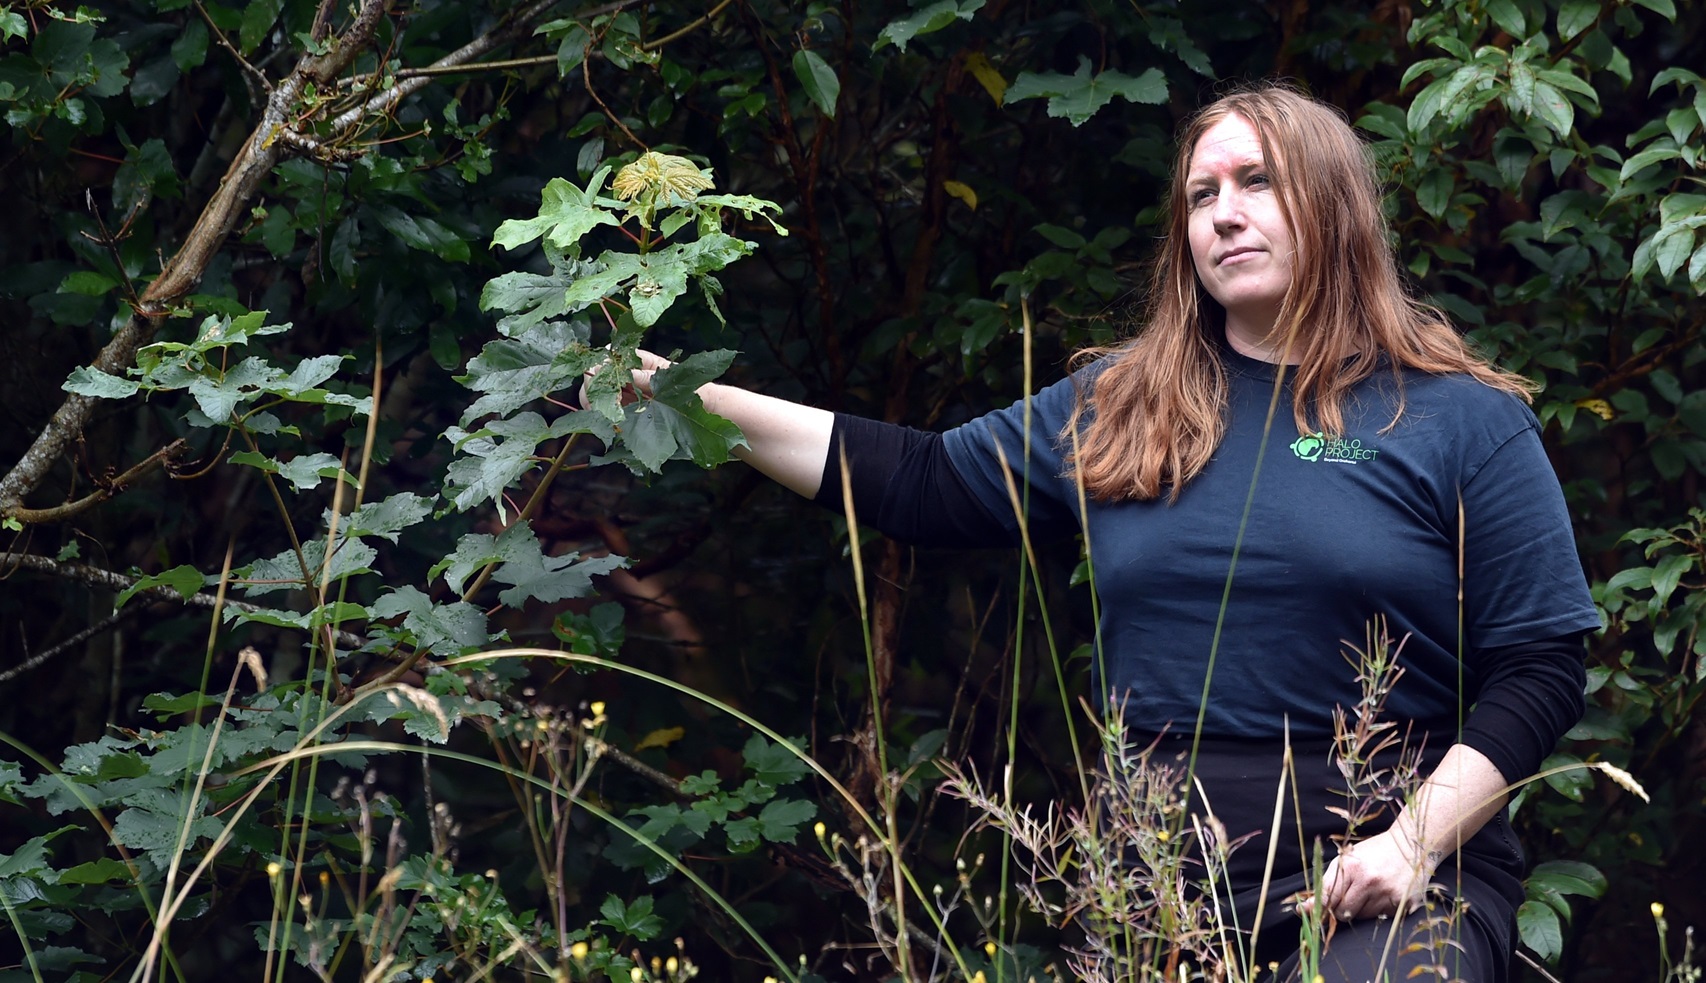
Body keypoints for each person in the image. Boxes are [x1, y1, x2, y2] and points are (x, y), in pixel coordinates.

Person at [610, 84, 1600, 982]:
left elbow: (1541, 663)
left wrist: (1412, 846)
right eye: (1200, 193)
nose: (1223, 211)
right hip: (1159, 873)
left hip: (1379, 866)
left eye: (1256, 182)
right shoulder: (1124, 405)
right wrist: (676, 398)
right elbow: (916, 481)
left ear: (1332, 207)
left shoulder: (1454, 420)